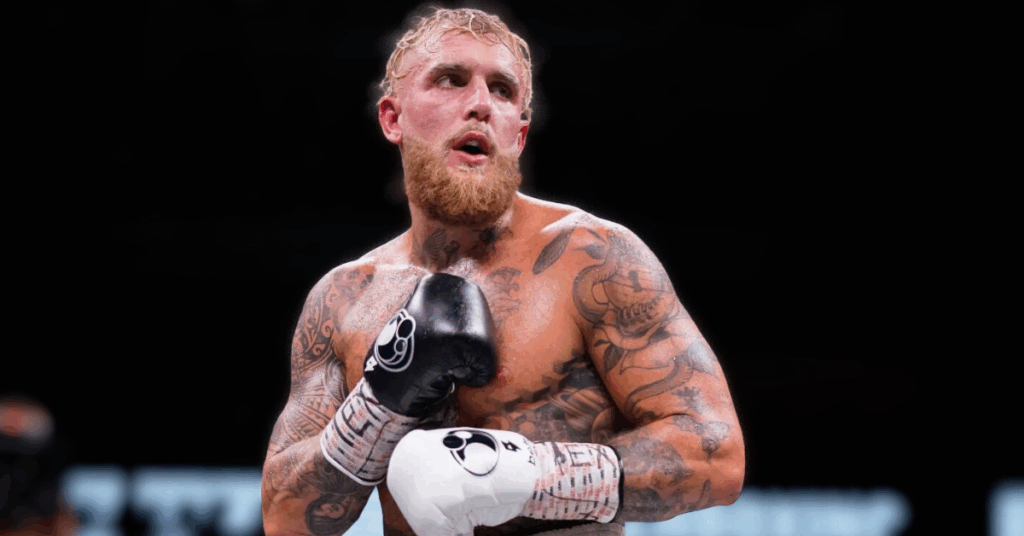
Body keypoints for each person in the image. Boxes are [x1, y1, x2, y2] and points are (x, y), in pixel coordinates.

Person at [261, 8, 744, 536]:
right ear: (392, 119)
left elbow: (716, 457)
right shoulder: (343, 298)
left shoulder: (593, 259)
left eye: (502, 90)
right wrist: (378, 407)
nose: (479, 105)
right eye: (450, 80)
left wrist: (520, 476)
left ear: (519, 133)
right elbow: (286, 516)